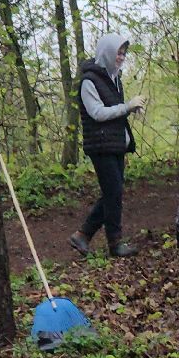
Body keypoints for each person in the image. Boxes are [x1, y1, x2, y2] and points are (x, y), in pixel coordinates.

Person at [69, 33, 146, 258]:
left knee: (114, 192)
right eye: (118, 53)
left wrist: (132, 109)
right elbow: (97, 113)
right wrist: (126, 107)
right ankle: (114, 243)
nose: (121, 57)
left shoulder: (115, 79)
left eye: (123, 53)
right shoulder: (89, 82)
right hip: (100, 146)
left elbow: (116, 111)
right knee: (113, 192)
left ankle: (83, 235)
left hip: (114, 145)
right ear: (107, 53)